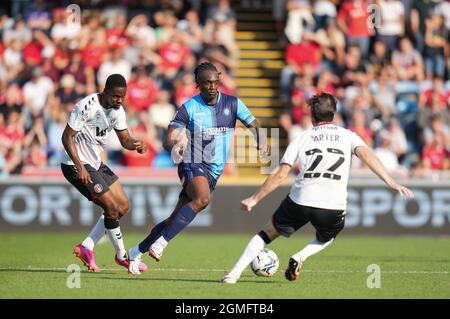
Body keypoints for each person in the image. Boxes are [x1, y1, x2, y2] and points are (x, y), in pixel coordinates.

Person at [220, 92, 414, 284]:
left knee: (266, 234)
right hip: (332, 205)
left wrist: (254, 199)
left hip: (301, 200)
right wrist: (391, 181)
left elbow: (280, 174)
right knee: (328, 237)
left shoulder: (302, 138)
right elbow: (368, 156)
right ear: (334, 115)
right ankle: (301, 256)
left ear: (312, 116)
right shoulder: (348, 136)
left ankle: (233, 275)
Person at [127, 62, 267, 274]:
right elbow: (169, 138)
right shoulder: (189, 107)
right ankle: (162, 243)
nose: (211, 86)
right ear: (198, 85)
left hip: (214, 171)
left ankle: (136, 252)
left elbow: (254, 125)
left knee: (174, 218)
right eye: (206, 83)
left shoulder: (233, 103)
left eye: (214, 82)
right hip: (192, 161)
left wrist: (261, 140)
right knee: (202, 200)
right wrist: (176, 141)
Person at [61, 74, 148, 273]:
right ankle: (122, 257)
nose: (119, 101)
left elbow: (125, 139)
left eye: (122, 97)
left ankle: (86, 247)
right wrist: (80, 167)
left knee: (123, 206)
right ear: (105, 91)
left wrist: (136, 144)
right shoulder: (87, 106)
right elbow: (67, 137)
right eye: (116, 96)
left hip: (95, 162)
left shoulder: (118, 111)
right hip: (75, 165)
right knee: (111, 206)